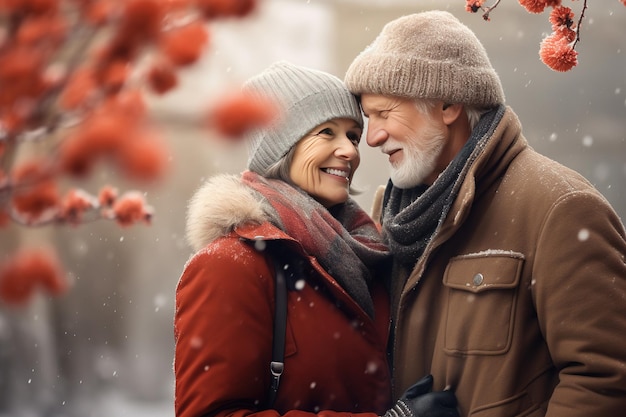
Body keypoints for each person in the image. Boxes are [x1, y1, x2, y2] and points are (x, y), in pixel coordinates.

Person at [344, 10, 626, 417]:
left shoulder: (560, 208)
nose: (372, 137)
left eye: (384, 114)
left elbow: (606, 378)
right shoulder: (391, 215)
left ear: (448, 105)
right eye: (368, 119)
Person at [174, 61, 459, 417]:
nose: (351, 151)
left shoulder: (370, 254)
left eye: (353, 136)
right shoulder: (230, 265)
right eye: (327, 132)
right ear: (280, 145)